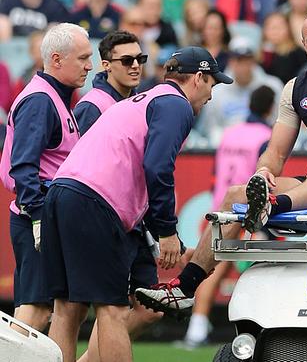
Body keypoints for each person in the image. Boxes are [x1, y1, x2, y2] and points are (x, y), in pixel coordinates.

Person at [135, 10, 307, 316]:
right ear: (303, 44)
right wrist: (263, 171)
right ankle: (186, 286)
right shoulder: (295, 88)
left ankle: (270, 207)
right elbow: (275, 154)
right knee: (238, 194)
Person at [40, 46, 233, 362]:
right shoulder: (176, 105)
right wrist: (167, 231)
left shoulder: (141, 99)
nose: (211, 95)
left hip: (62, 194)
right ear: (198, 77)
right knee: (112, 310)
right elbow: (157, 167)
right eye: (212, 84)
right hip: (95, 202)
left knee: (66, 309)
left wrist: (165, 235)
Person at [70, 30, 165, 362]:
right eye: (127, 61)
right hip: (105, 216)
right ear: (106, 65)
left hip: (131, 219)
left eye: (141, 59)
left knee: (149, 307)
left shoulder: (133, 100)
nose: (136, 66)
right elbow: (82, 168)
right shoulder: (94, 106)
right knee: (104, 307)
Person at [0, 23, 92, 332]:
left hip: (45, 215)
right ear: (56, 59)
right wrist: (39, 217)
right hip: (37, 217)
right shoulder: (41, 100)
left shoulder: (53, 96)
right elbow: (22, 166)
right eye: (82, 58)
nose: (89, 66)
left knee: (49, 309)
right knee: (35, 311)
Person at [182, 85, 276, 348]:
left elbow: (215, 175)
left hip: (223, 207)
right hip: (247, 210)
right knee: (259, 273)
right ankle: (260, 331)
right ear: (270, 108)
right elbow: (265, 178)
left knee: (213, 270)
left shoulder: (229, 134)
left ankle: (197, 328)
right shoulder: (266, 137)